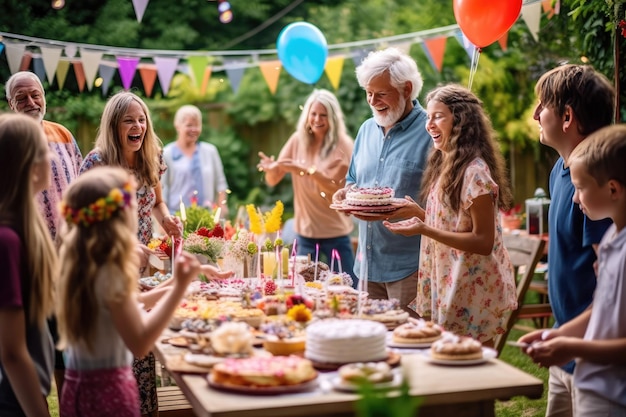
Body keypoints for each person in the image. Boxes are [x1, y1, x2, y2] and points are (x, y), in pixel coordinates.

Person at [56, 166, 219, 417]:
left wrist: (181, 279)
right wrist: (180, 288)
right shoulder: (110, 271)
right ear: (120, 217)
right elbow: (140, 341)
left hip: (81, 388)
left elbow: (132, 304)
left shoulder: (86, 264)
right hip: (107, 394)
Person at [383, 84, 517, 345]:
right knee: (448, 356)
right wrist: (421, 214)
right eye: (428, 117)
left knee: (472, 362)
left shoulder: (474, 173)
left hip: (470, 283)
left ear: (461, 121)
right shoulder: (447, 166)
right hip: (447, 275)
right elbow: (455, 224)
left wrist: (424, 229)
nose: (429, 124)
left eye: (438, 116)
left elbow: (483, 241)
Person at [520, 64, 615, 417]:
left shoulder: (594, 185)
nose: (534, 115)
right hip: (566, 344)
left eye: (542, 105)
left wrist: (571, 340)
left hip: (594, 352)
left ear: (567, 116)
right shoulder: (560, 172)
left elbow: (611, 284)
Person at [80, 91, 182, 417]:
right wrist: (121, 246)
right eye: (129, 120)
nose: (138, 126)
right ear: (114, 125)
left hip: (141, 267)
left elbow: (157, 199)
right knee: (120, 346)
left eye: (141, 119)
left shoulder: (152, 154)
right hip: (106, 267)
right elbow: (84, 225)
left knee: (142, 351)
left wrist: (166, 219)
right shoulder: (96, 164)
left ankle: (142, 409)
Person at [332, 47, 432, 315]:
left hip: (410, 268)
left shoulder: (431, 132)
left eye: (381, 93)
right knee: (369, 345)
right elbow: (353, 179)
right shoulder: (366, 129)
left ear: (407, 89)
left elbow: (446, 202)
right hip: (364, 266)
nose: (373, 101)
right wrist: (345, 194)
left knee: (407, 345)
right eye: (368, 93)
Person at [5, 70, 84, 400]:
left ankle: (69, 400)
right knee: (40, 339)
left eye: (35, 94)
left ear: (44, 96)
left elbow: (80, 182)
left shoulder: (62, 134)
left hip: (70, 255)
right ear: (10, 104)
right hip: (30, 256)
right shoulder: (9, 139)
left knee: (72, 336)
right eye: (21, 97)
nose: (30, 102)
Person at [257, 89, 356, 286]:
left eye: (323, 115)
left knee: (349, 287)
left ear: (333, 118)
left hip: (335, 232)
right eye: (313, 113)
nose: (317, 119)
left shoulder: (343, 145)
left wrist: (305, 170)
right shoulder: (297, 140)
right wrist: (271, 168)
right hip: (305, 234)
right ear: (307, 115)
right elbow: (272, 179)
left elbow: (334, 189)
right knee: (300, 287)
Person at [0, 113, 58, 417]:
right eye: (42, 149)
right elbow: (11, 353)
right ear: (26, 164)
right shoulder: (6, 241)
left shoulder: (25, 228)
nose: (50, 156)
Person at [162, 104, 229, 218]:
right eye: (189, 125)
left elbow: (221, 184)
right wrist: (164, 220)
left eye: (197, 125)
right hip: (176, 218)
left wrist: (221, 208)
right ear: (177, 126)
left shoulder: (210, 151)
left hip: (207, 217)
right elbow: (162, 189)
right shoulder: (166, 153)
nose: (194, 129)